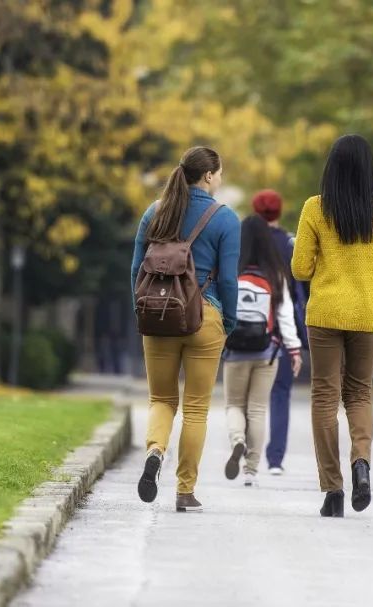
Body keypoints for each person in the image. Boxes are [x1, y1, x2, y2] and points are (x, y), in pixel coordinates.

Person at [292, 134, 373, 517]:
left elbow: (300, 268)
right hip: (370, 314)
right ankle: (362, 463)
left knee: (324, 398)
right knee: (359, 394)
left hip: (325, 313)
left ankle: (333, 489)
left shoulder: (315, 208)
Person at [131, 146, 240, 513]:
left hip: (158, 316)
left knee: (161, 400)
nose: (221, 179)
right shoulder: (225, 219)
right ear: (208, 176)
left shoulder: (154, 212)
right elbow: (228, 281)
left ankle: (155, 451)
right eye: (220, 172)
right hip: (204, 317)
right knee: (196, 409)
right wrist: (228, 321)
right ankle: (184, 491)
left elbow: (136, 272)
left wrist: (144, 312)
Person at [222, 215, 303, 487]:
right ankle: (251, 471)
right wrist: (294, 350)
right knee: (257, 409)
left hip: (234, 351)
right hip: (266, 352)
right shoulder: (275, 273)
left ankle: (237, 440)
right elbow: (286, 316)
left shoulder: (232, 270)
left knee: (234, 404)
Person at [252, 190, 308, 476]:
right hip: (283, 327)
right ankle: (275, 459)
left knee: (250, 394)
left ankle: (248, 450)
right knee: (280, 392)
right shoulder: (289, 245)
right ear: (279, 211)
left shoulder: (245, 243)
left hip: (250, 325)